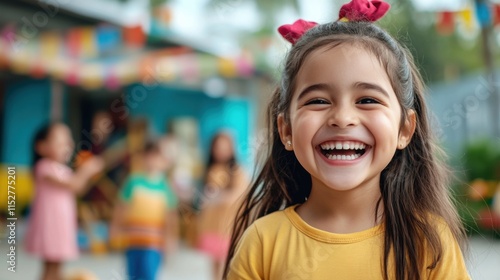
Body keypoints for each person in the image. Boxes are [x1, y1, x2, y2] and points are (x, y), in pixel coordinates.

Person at [224, 0, 470, 279]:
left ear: (405, 129)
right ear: (286, 131)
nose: (342, 118)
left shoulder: (429, 242)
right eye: (317, 101)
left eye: (367, 100)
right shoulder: (262, 242)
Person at [24, 123, 104, 280]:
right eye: (60, 143)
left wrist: (89, 173)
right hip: (50, 225)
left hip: (61, 225)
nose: (67, 146)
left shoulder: (64, 170)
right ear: (41, 147)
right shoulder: (44, 167)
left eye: (68, 142)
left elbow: (78, 188)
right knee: (50, 268)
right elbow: (73, 184)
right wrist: (86, 170)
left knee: (56, 268)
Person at [110, 140, 179, 280]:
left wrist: (171, 239)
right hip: (133, 240)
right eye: (149, 156)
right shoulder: (133, 182)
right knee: (133, 274)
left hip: (154, 243)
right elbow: (121, 208)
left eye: (156, 157)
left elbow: (170, 216)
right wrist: (115, 229)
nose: (152, 161)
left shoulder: (165, 187)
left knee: (149, 274)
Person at [197, 132, 249, 280]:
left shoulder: (237, 170)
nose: (220, 150)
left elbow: (238, 194)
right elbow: (206, 193)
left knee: (227, 263)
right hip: (213, 223)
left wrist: (216, 198)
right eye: (217, 147)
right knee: (214, 263)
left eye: (224, 147)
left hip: (230, 224)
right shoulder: (210, 169)